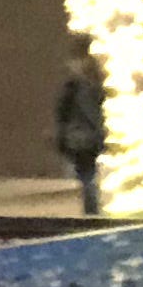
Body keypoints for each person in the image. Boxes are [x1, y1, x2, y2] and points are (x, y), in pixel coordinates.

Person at [54, 43, 108, 216]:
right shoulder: (90, 85)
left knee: (87, 176)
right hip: (86, 137)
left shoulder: (79, 88)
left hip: (82, 137)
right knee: (87, 175)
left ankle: (92, 211)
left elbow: (68, 113)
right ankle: (92, 210)